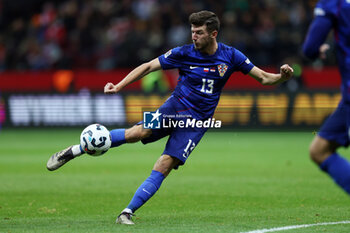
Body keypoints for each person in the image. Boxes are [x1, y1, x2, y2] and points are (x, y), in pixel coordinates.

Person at [47, 11, 294, 224]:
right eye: (192, 31)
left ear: (213, 33)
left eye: (198, 32)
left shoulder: (231, 56)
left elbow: (263, 78)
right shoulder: (183, 53)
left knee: (165, 163)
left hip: (196, 122)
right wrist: (120, 85)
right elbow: (148, 66)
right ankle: (73, 151)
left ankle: (126, 212)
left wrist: (282, 77)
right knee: (137, 133)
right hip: (173, 109)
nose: (193, 36)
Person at [303, 0, 350, 194]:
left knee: (319, 152)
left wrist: (316, 51)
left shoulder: (334, 3)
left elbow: (310, 48)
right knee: (319, 149)